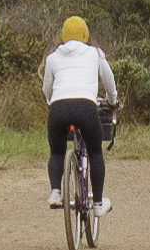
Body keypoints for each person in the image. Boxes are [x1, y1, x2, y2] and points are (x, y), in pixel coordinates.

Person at [41, 15, 120, 226]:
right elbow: (109, 80)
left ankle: (56, 193)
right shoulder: (95, 54)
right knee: (95, 152)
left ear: (63, 36)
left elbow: (46, 89)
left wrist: (53, 102)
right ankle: (98, 203)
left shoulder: (53, 57)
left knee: (57, 151)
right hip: (86, 107)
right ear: (86, 35)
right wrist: (113, 100)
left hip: (58, 107)